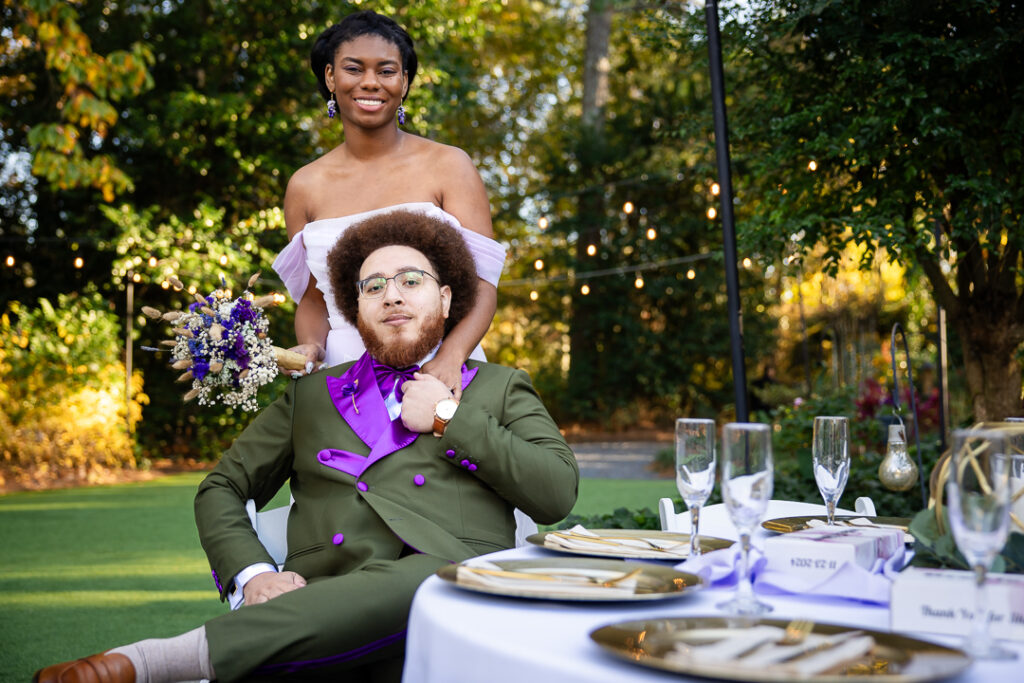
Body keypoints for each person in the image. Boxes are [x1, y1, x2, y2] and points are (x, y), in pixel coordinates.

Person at [34, 210, 579, 683]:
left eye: (411, 280)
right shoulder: (311, 396)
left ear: (444, 296)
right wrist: (254, 574)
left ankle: (152, 663)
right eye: (373, 286)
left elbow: (556, 493)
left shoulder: (500, 386)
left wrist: (447, 417)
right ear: (355, 309)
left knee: (438, 579)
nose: (391, 294)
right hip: (316, 610)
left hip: (451, 605)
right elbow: (222, 487)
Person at [275, 9, 504, 399]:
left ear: (404, 82)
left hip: (441, 370)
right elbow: (315, 299)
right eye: (354, 68)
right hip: (347, 383)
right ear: (331, 77)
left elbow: (484, 285)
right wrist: (312, 348)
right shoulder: (304, 186)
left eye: (385, 70)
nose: (370, 82)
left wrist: (450, 356)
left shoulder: (449, 165)